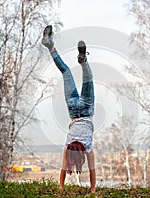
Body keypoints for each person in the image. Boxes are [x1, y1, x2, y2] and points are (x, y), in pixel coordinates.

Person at [41, 25, 96, 193]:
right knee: (65, 71)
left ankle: (83, 61)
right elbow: (63, 169)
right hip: (73, 110)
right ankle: (50, 46)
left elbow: (93, 171)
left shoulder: (87, 147)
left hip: (86, 109)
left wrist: (93, 190)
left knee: (88, 77)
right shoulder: (68, 146)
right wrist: (61, 186)